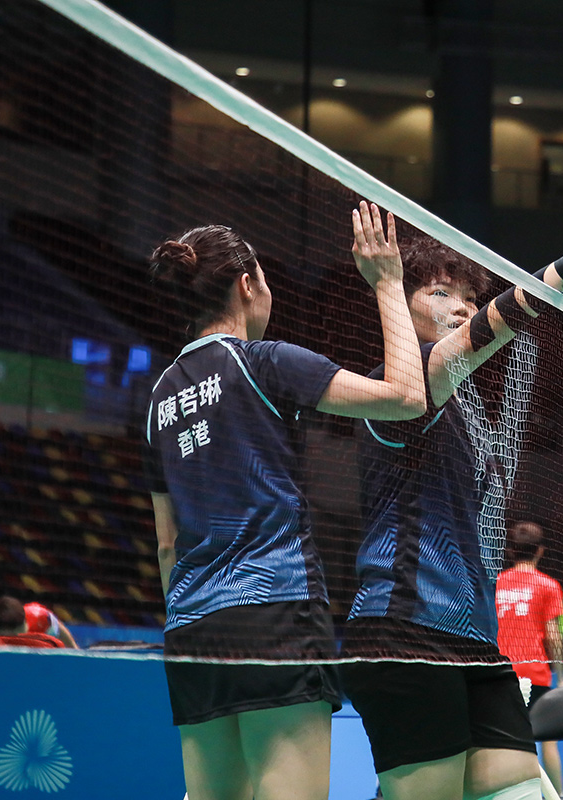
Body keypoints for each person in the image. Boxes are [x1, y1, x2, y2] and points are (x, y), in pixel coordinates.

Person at [142, 204, 426, 800]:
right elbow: (406, 396)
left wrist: (194, 617)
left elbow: (167, 545)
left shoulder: (160, 400)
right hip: (275, 614)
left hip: (192, 631)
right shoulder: (266, 363)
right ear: (247, 286)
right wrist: (388, 282)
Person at [340, 187, 563, 800]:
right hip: (405, 627)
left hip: (474, 638)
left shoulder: (458, 408)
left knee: (518, 790)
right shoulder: (398, 390)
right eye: (441, 293)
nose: (462, 308)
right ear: (401, 303)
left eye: (468, 296)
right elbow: (490, 330)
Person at [496, 521, 563, 796]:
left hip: (500, 673)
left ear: (511, 551)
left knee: (501, 743)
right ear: (540, 551)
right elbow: (553, 636)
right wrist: (560, 677)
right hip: (534, 673)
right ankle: (559, 796)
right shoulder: (548, 585)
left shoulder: (495, 583)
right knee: (548, 740)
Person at [0, 600, 78, 648]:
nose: (12, 640)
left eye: (15, 636)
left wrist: (74, 651)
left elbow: (59, 630)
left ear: (25, 624)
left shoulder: (39, 617)